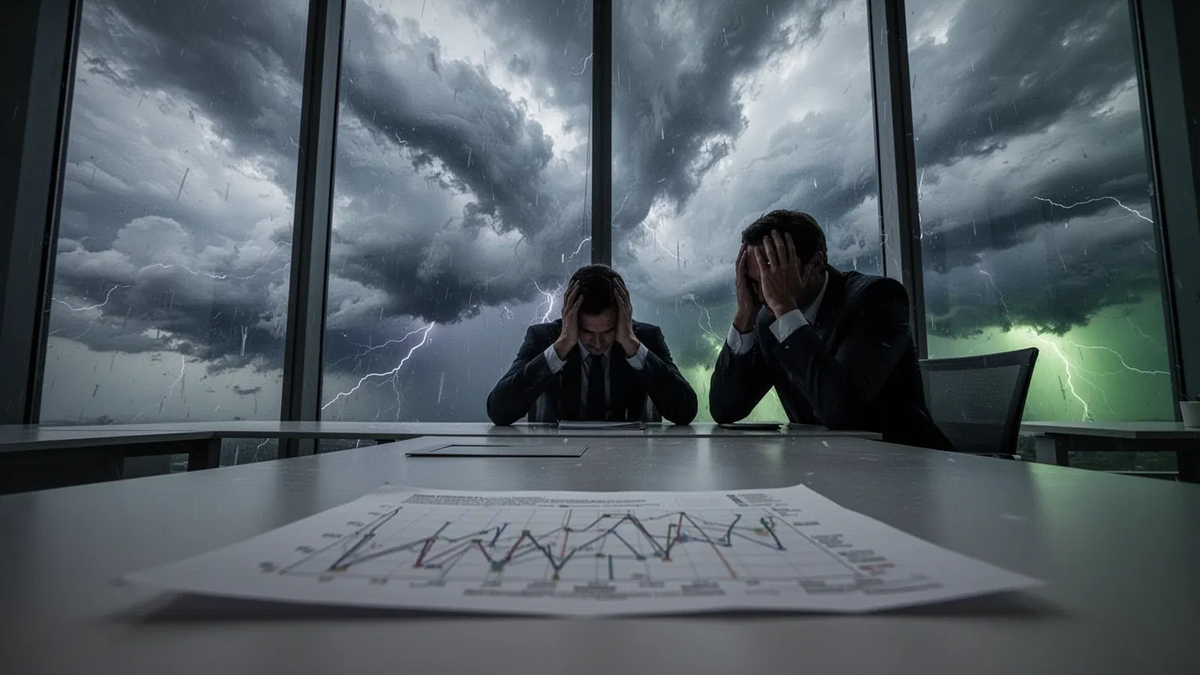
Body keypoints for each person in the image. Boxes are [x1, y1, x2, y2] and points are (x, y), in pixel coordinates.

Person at [709, 210, 953, 451]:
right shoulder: (767, 321)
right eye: (752, 279)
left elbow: (842, 411)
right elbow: (725, 409)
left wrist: (785, 308)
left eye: (771, 274)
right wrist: (744, 316)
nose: (762, 291)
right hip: (824, 468)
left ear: (816, 264)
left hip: (905, 465)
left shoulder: (877, 298)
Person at [487, 264, 698, 426]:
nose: (597, 343)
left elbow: (685, 411)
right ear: (570, 318)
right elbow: (499, 410)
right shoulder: (543, 338)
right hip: (558, 461)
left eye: (607, 332)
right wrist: (561, 346)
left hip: (629, 459)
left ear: (623, 316)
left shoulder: (646, 338)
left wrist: (631, 345)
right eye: (587, 332)